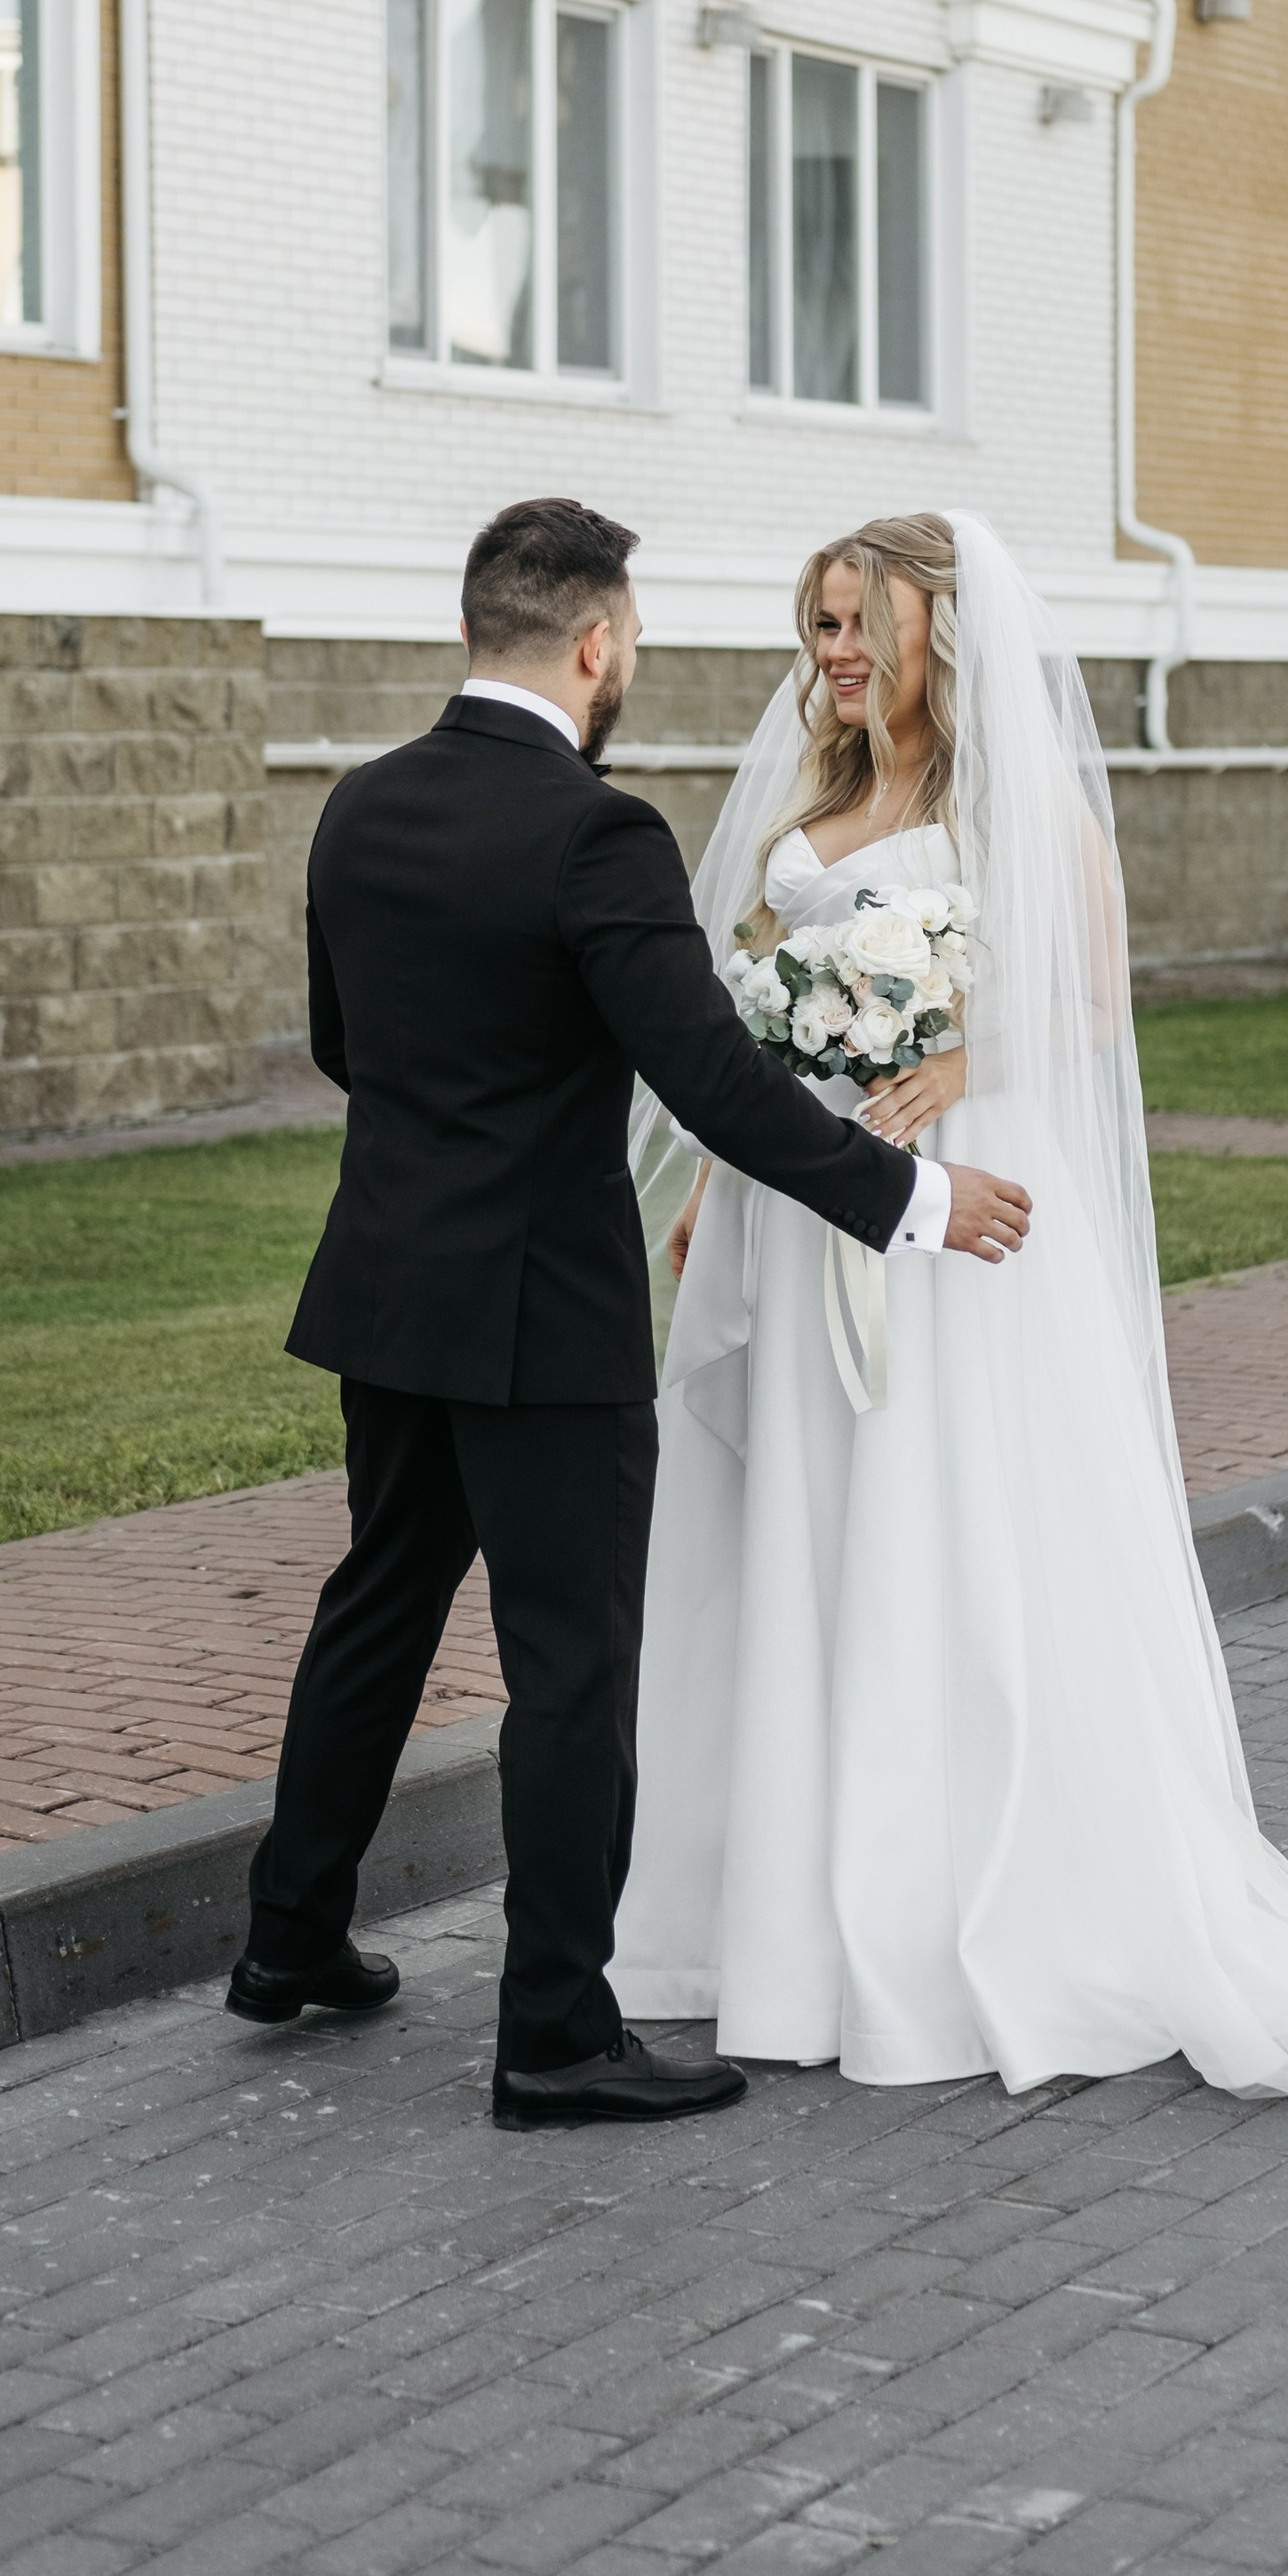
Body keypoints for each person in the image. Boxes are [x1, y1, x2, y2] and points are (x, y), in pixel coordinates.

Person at [613, 511, 1288, 2114]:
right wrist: (714, 1189)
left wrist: (958, 1063)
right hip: (806, 1198)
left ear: (931, 636)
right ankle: (792, 1922)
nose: (828, 656)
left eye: (853, 626)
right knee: (804, 1541)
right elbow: (743, 1016)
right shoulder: (814, 804)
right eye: (815, 626)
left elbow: (1091, 996)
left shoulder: (1012, 801)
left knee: (944, 1528)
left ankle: (957, 1905)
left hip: (968, 1198)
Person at [226, 497, 1034, 2132]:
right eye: (636, 642)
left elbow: (343, 1043)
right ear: (595, 643)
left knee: (377, 1602)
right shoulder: (596, 834)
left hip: (387, 1286)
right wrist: (917, 1197)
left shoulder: (358, 809)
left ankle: (290, 1935)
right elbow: (714, 1080)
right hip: (542, 1313)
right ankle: (554, 2032)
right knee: (573, 1665)